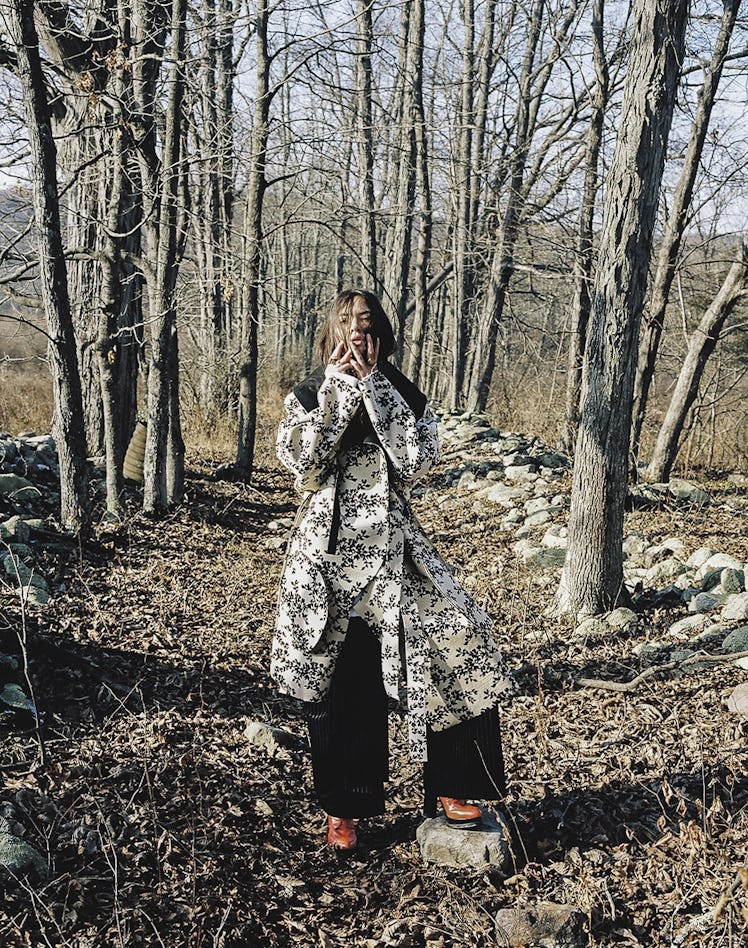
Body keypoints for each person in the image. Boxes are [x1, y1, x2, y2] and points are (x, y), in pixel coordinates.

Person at [271, 288, 513, 851]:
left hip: (396, 550)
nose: (358, 331)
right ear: (331, 332)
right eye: (347, 321)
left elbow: (416, 461)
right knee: (345, 672)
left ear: (383, 335)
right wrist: (342, 389)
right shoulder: (307, 393)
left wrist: (376, 388)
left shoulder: (404, 393)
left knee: (460, 634)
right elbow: (301, 459)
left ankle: (458, 785)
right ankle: (344, 808)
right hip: (328, 555)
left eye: (368, 322)